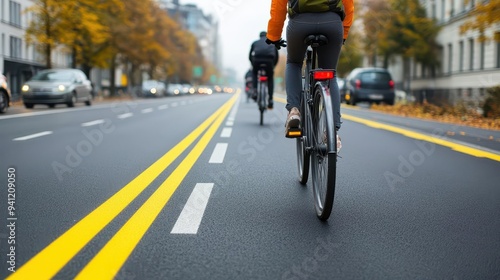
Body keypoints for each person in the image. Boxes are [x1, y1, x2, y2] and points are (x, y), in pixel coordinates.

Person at [265, 0, 354, 149]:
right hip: (332, 23)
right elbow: (349, 5)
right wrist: (343, 32)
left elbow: (278, 5)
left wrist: (274, 35)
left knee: (294, 63)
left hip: (300, 24)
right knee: (330, 73)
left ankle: (294, 111)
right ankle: (332, 132)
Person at [249, 31, 279, 109]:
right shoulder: (272, 43)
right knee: (270, 78)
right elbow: (276, 57)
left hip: (257, 61)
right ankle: (270, 99)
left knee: (254, 73)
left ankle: (255, 91)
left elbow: (250, 56)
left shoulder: (255, 43)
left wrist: (253, 64)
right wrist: (273, 66)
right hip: (269, 62)